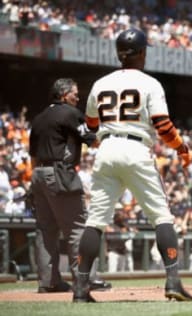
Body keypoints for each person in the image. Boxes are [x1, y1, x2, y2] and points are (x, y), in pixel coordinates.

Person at [73, 28, 192, 302]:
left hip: (106, 148)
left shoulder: (100, 83)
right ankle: (173, 281)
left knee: (95, 222)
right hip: (136, 147)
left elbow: (90, 124)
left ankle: (80, 289)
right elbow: (162, 125)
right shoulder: (150, 83)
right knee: (161, 217)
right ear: (142, 53)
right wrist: (181, 147)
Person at [29, 78, 110, 293]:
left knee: (45, 230)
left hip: (38, 174)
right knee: (77, 228)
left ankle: (49, 282)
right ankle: (87, 278)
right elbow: (92, 139)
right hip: (59, 173)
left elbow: (34, 156)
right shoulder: (70, 113)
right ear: (64, 95)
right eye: (75, 93)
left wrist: (34, 183)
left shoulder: (38, 118)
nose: (78, 97)